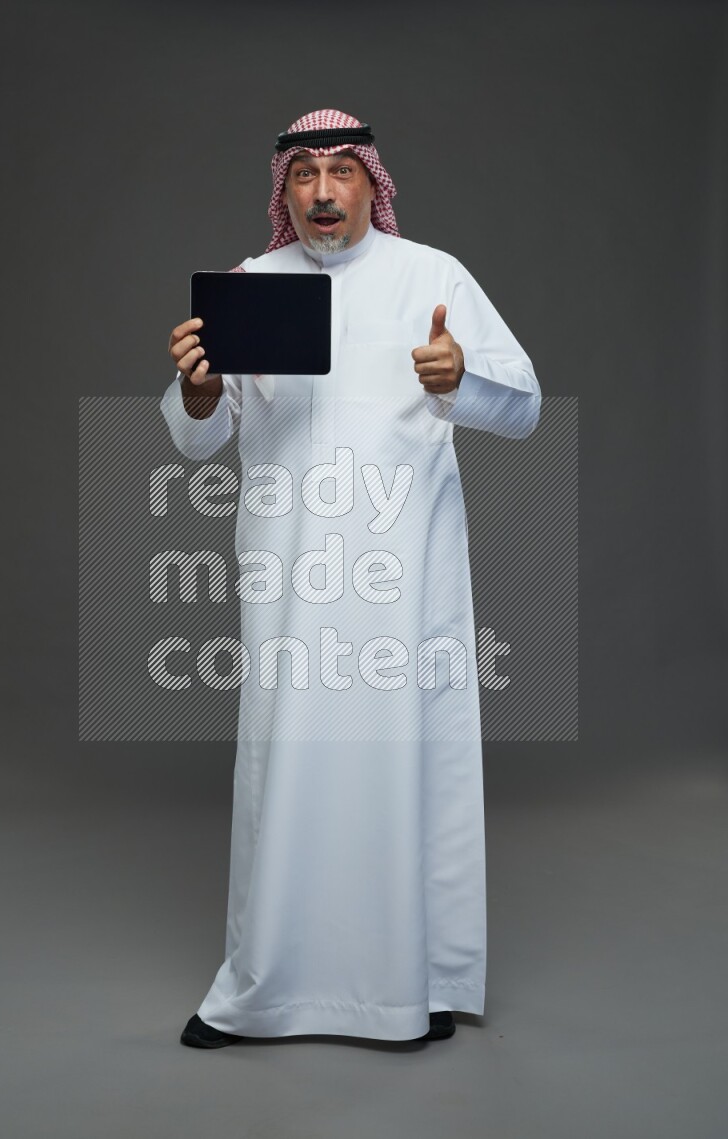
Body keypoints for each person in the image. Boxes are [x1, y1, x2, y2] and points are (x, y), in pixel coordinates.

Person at [162, 109, 541, 1049]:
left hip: (402, 577)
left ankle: (418, 977)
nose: (325, 191)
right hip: (293, 576)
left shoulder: (432, 278)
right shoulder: (252, 288)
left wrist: (459, 377)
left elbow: (523, 406)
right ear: (285, 192)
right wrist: (201, 389)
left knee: (406, 758)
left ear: (374, 183)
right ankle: (267, 985)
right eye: (305, 175)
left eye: (342, 171)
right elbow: (202, 435)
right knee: (286, 767)